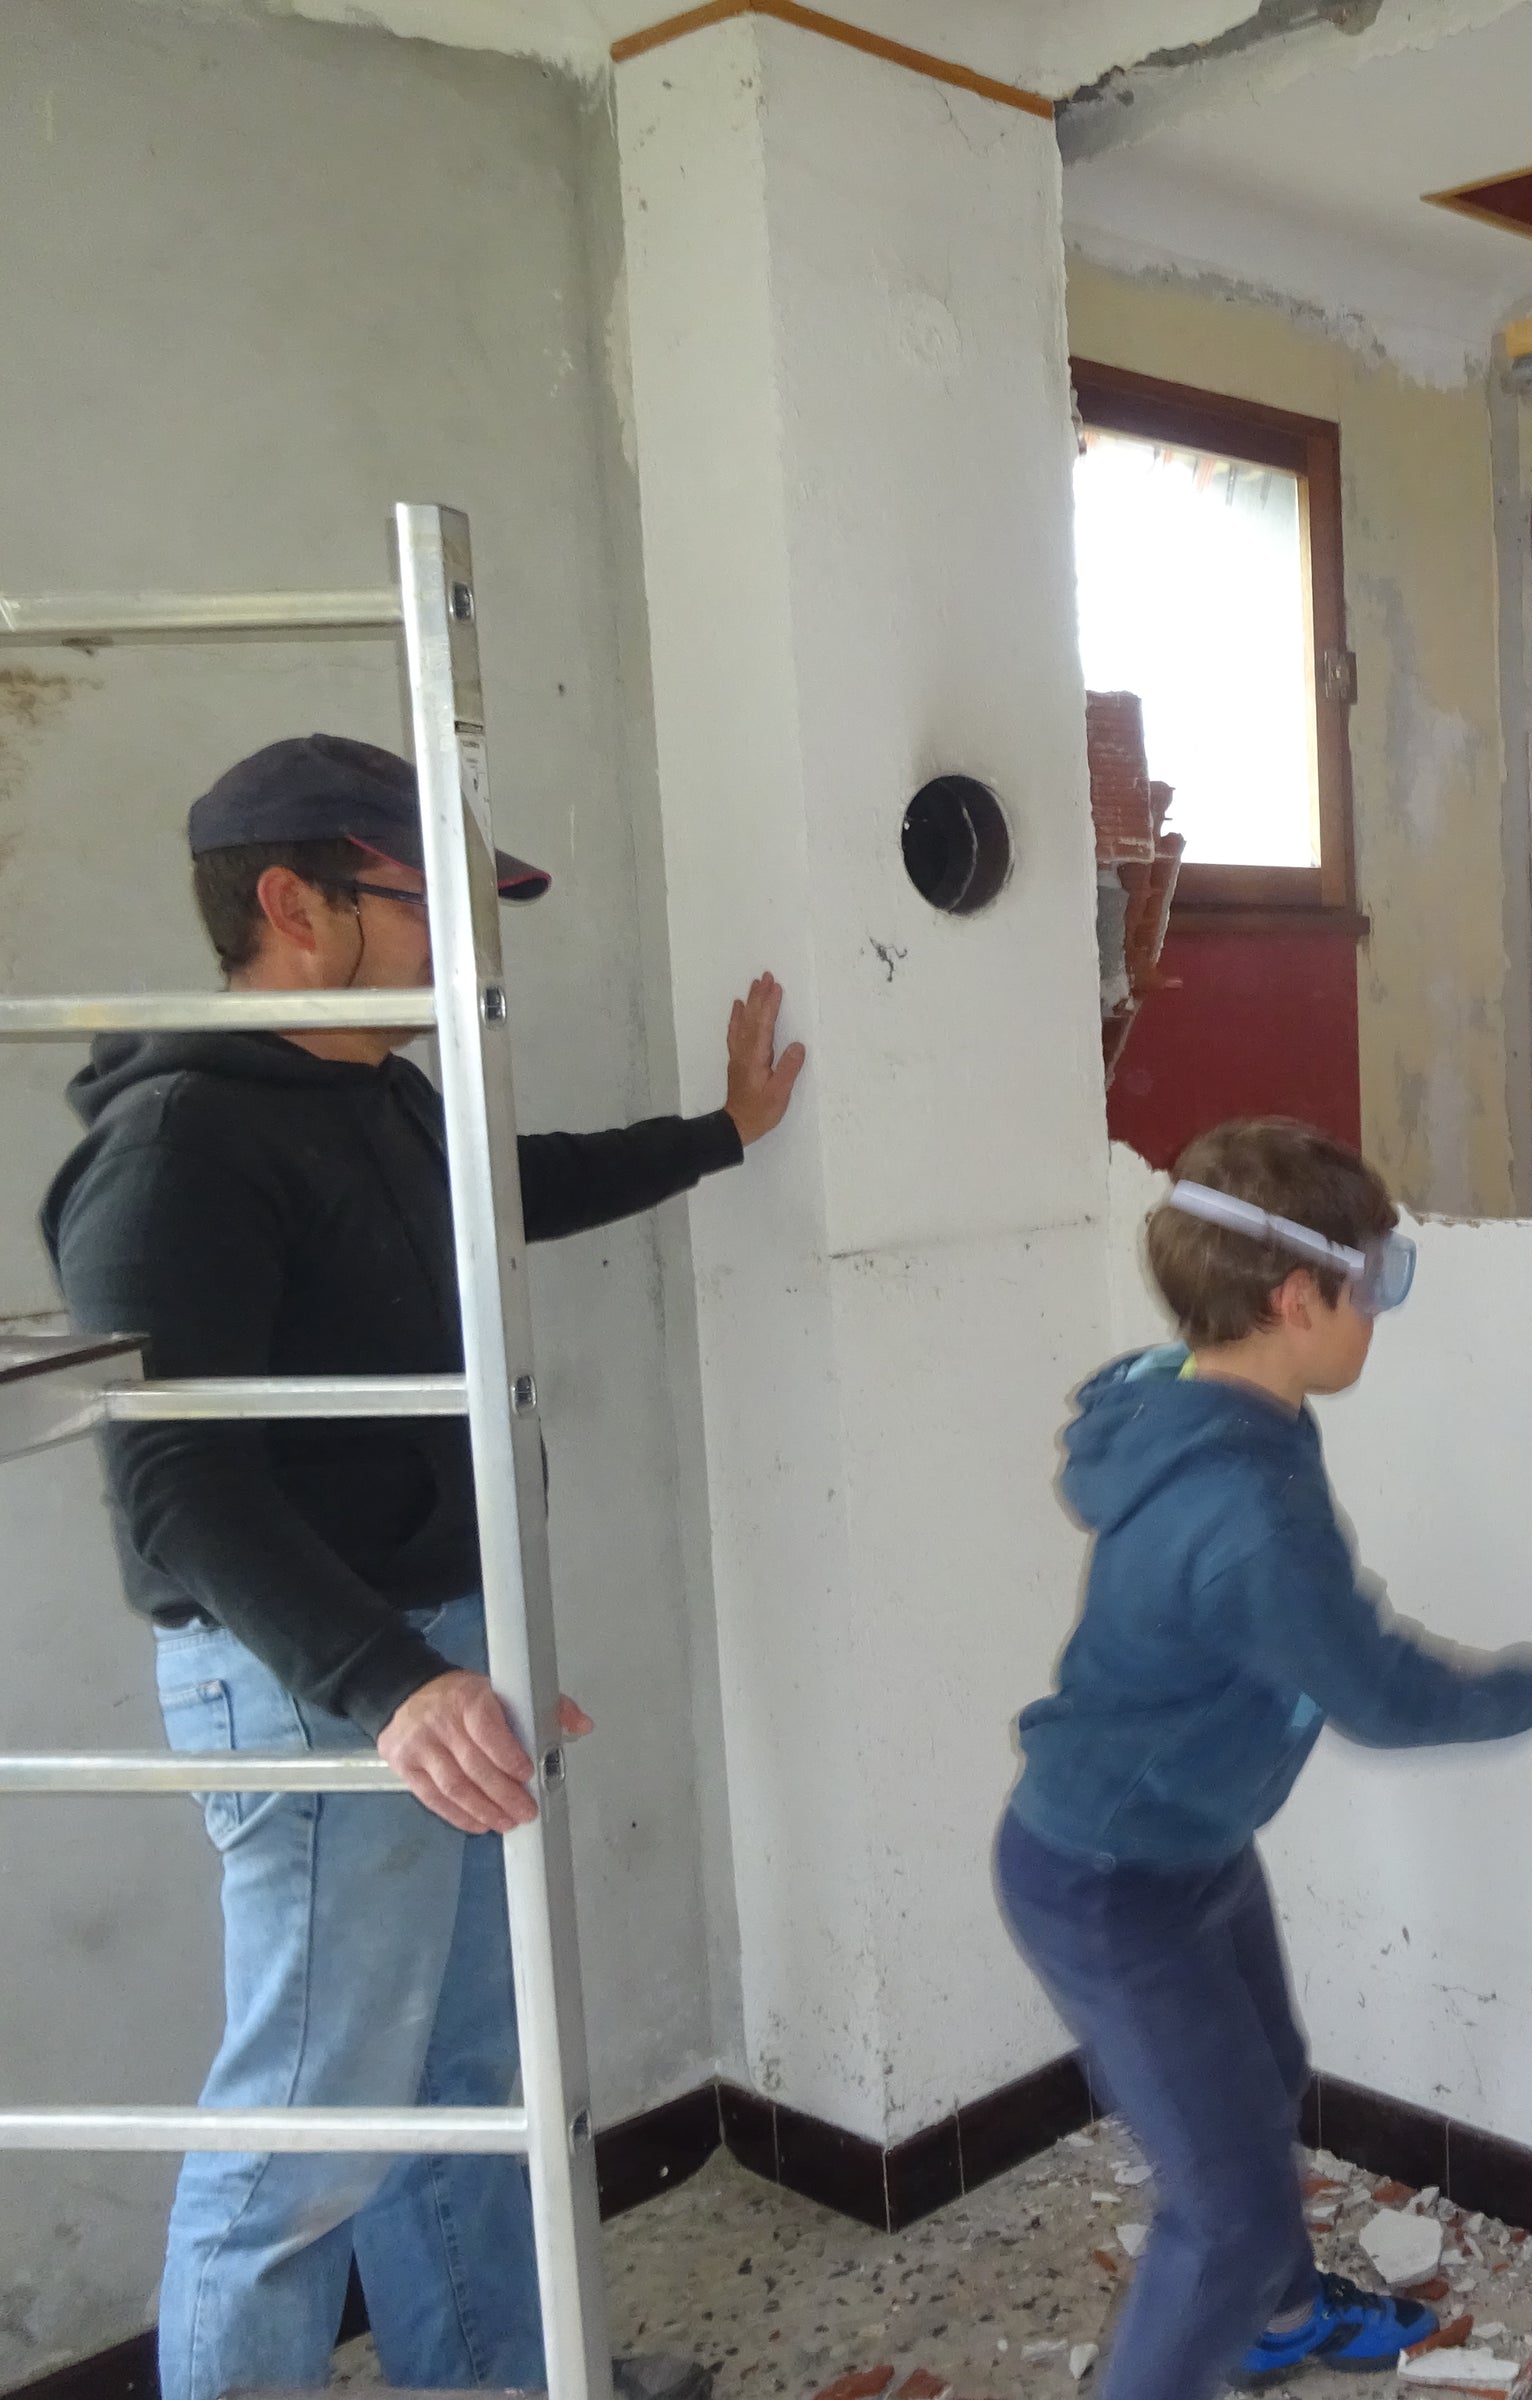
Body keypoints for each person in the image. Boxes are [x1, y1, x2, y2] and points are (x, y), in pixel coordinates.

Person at [42, 734, 808, 2400]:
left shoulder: (373, 1088)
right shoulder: (182, 1141)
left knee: (462, 2076)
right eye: (430, 904)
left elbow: (504, 1195)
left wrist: (723, 1137)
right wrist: (397, 1682)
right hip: (319, 1692)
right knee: (305, 2133)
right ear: (288, 905)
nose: (470, 947)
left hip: (420, 1660)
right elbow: (169, 1475)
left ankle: (494, 2381)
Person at [994, 1116, 1532, 2400]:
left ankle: (1279, 2323)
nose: (1380, 1313)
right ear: (1296, 1300)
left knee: (1267, 2077)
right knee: (1224, 2213)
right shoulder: (1244, 1511)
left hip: (1184, 1843)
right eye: (1377, 1283)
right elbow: (1382, 1695)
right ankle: (1234, 2312)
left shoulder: (1194, 1393)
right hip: (1108, 1882)